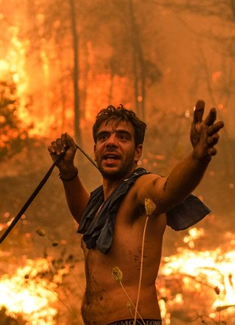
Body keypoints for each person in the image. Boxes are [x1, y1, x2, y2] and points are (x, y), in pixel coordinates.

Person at [48, 99, 224, 325]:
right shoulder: (99, 204)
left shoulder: (140, 189)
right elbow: (84, 217)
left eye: (122, 137)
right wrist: (68, 171)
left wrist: (198, 157)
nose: (111, 142)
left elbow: (168, 191)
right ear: (94, 150)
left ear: (137, 151)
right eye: (103, 137)